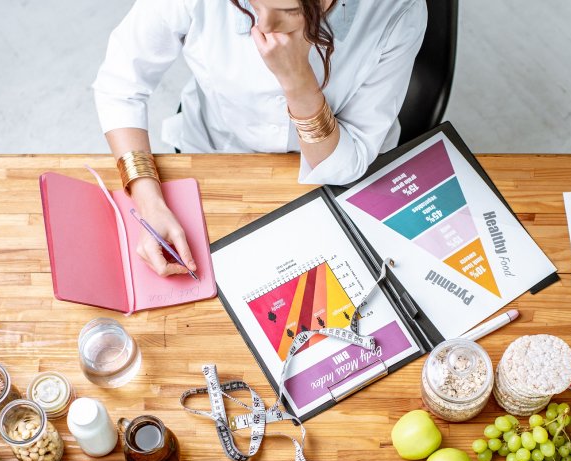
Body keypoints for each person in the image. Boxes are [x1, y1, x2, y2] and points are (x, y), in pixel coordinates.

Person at [94, 0, 428, 276]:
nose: (263, 25)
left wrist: (297, 79)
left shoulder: (398, 10)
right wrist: (148, 201)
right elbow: (122, 83)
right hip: (216, 153)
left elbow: (346, 164)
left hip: (338, 171)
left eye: (292, 10)